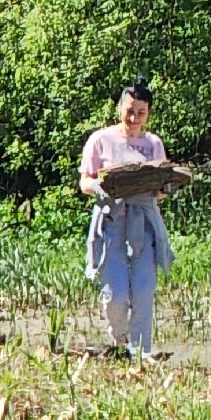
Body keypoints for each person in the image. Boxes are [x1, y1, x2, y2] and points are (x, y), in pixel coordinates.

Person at [78, 79, 176, 359]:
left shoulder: (153, 144)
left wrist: (163, 189)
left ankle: (141, 352)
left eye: (141, 112)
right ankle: (120, 339)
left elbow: (161, 188)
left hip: (143, 222)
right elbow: (85, 181)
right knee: (116, 293)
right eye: (129, 111)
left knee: (144, 290)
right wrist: (101, 189)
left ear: (149, 113)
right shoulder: (100, 140)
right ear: (120, 107)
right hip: (111, 222)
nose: (134, 118)